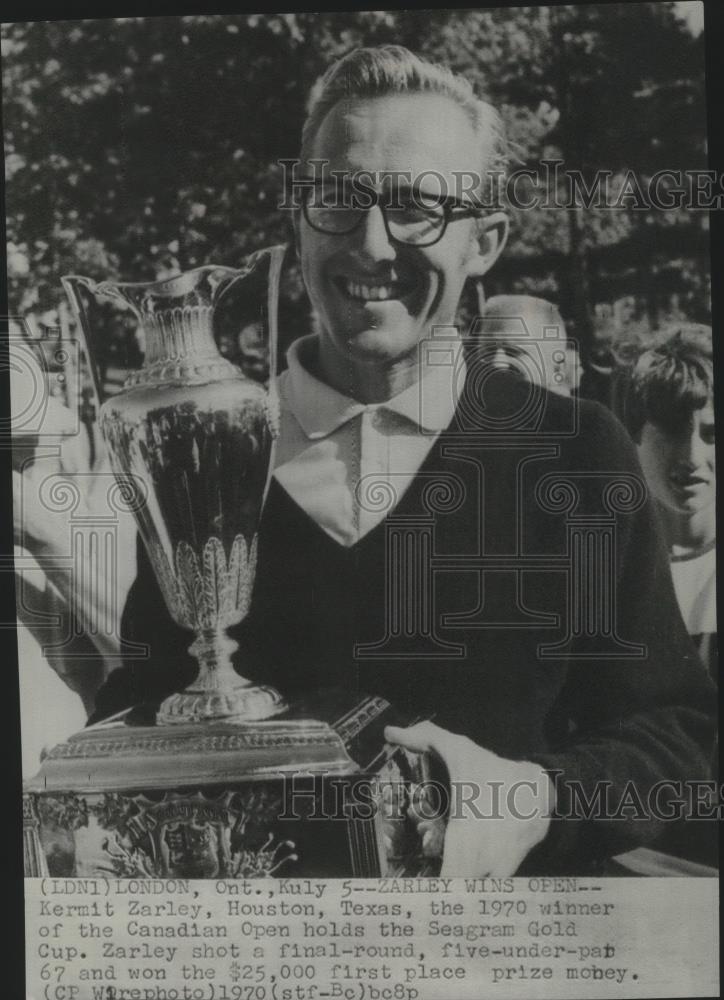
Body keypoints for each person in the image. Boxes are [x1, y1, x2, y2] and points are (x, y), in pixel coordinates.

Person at [32, 46, 714, 876]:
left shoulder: (573, 451)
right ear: (298, 217)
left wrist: (536, 799)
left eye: (418, 208)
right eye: (339, 199)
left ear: (484, 240)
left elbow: (681, 743)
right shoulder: (208, 455)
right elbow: (143, 713)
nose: (371, 244)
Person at [623, 325, 716, 680]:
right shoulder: (610, 563)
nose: (692, 456)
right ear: (634, 434)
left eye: (713, 434)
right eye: (672, 430)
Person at [476, 294, 579, 397]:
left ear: (558, 368)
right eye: (489, 351)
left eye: (513, 351)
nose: (496, 363)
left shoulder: (583, 412)